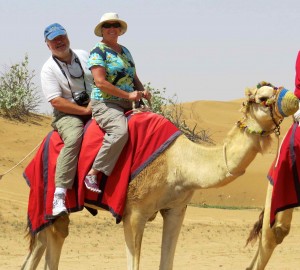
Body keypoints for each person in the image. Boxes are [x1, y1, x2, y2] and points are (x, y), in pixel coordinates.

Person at [85, 12, 151, 192]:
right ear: (102, 30)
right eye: (107, 26)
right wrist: (127, 95)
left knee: (155, 126)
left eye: (115, 25)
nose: (112, 29)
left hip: (129, 101)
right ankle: (93, 173)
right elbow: (100, 82)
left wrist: (142, 91)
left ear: (120, 30)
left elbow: (133, 76)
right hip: (106, 103)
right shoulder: (98, 51)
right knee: (119, 131)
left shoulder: (125, 51)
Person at [41, 23, 93, 217]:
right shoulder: (48, 69)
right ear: (48, 44)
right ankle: (59, 195)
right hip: (68, 114)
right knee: (74, 138)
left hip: (96, 105)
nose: (59, 42)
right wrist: (83, 110)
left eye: (61, 37)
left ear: (67, 36)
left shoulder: (84, 54)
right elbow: (56, 101)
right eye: (54, 40)